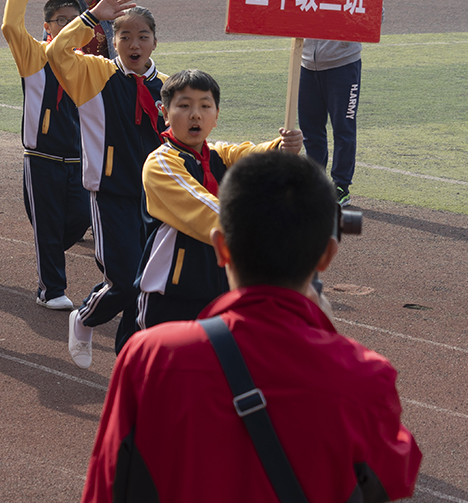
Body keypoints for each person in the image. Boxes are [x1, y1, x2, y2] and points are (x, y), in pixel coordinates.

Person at [81, 152, 421, 503]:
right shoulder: (366, 377)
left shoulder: (149, 358)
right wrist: (329, 340)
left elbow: (106, 491)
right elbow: (393, 478)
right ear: (327, 256)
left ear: (221, 247)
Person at [131, 69, 301, 344]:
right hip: (172, 292)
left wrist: (282, 148)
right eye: (184, 106)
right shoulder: (161, 163)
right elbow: (204, 210)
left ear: (217, 115)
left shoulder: (219, 154)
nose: (195, 114)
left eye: (205, 106)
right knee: (161, 371)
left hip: (220, 287)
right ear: (164, 112)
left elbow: (253, 159)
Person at [48, 0, 166, 370]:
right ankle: (83, 317)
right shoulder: (95, 73)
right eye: (125, 36)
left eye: (143, 36)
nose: (134, 44)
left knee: (148, 283)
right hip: (110, 191)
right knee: (124, 279)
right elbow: (55, 53)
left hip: (156, 198)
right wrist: (91, 17)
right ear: (112, 40)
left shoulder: (166, 85)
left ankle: (127, 357)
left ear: (154, 41)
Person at [2, 0, 89, 310]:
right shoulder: (33, 55)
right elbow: (10, 26)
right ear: (47, 26)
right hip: (42, 158)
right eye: (61, 22)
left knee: (80, 219)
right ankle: (51, 289)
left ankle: (47, 248)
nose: (68, 27)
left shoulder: (86, 62)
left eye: (75, 22)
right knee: (48, 223)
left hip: (79, 158)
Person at [300, 0, 362, 205]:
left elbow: (375, 13)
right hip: (306, 64)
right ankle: (314, 182)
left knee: (343, 128)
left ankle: (340, 186)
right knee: (311, 129)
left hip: (342, 65)